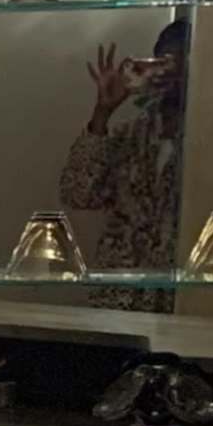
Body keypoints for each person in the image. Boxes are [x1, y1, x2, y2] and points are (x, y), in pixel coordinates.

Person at [59, 19, 185, 271]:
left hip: (181, 285)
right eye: (162, 62)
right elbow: (78, 194)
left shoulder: (212, 140)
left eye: (178, 65)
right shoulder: (132, 135)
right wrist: (103, 112)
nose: (167, 73)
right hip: (123, 287)